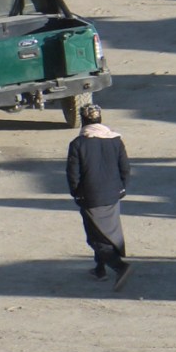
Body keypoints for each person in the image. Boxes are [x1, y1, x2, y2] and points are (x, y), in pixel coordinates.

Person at [65, 103, 134, 289]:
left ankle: (120, 267)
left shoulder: (78, 144)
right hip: (113, 195)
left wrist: (77, 194)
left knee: (95, 237)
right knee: (109, 231)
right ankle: (99, 269)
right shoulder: (115, 140)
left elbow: (73, 174)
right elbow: (125, 169)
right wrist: (122, 189)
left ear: (84, 120)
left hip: (91, 197)